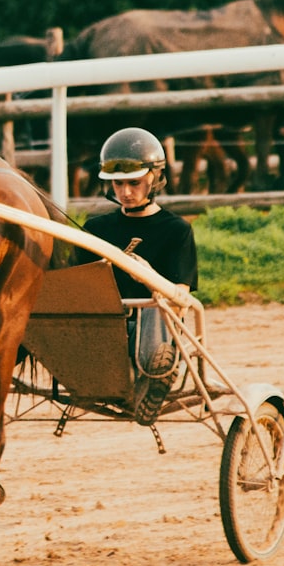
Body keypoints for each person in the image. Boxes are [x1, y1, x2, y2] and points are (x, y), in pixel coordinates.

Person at [76, 127, 199, 425]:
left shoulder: (177, 230)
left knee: (159, 304)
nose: (125, 192)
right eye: (118, 184)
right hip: (106, 329)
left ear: (155, 180)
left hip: (154, 329)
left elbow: (180, 299)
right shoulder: (96, 230)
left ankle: (156, 372)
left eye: (134, 183)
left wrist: (147, 275)